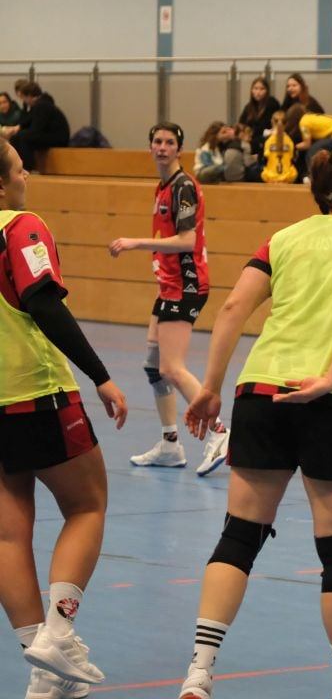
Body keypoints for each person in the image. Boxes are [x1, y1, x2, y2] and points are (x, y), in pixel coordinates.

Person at [177, 144, 332, 699]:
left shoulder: (284, 238)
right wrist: (329, 377)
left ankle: (198, 673)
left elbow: (233, 308)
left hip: (260, 392)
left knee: (240, 535)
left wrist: (210, 387)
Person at [0, 139, 128, 699]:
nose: (26, 174)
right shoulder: (21, 227)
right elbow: (43, 301)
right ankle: (57, 631)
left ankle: (47, 673)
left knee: (8, 533)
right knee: (87, 505)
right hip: (37, 393)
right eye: (18, 167)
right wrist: (100, 374)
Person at [108, 123, 230, 477]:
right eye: (157, 142)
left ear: (179, 149)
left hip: (186, 286)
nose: (162, 147)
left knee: (171, 368)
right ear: (150, 147)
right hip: (168, 286)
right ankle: (170, 444)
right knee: (153, 366)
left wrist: (136, 243)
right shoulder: (162, 187)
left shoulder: (183, 187)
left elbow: (187, 240)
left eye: (170, 142)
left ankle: (219, 432)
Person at [6, 83, 69, 172]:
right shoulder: (41, 104)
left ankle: (27, 167)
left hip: (58, 138)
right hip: (53, 135)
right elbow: (29, 122)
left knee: (24, 137)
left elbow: (36, 129)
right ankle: (18, 166)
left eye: (24, 98)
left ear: (29, 96)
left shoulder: (41, 106)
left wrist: (21, 132)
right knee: (18, 137)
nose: (24, 101)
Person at [297, 112, 332, 179]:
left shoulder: (303, 122)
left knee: (312, 152)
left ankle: (313, 177)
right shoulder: (310, 117)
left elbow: (307, 144)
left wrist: (295, 147)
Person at [237, 77, 280, 158]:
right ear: (251, 90)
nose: (258, 92)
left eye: (262, 89)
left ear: (267, 91)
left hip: (267, 142)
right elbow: (241, 125)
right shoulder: (249, 107)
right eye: (255, 88)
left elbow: (277, 123)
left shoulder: (272, 103)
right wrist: (244, 135)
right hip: (251, 142)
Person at [280, 74, 325, 142]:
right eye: (288, 86)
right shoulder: (288, 102)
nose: (290, 89)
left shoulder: (310, 103)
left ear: (302, 87)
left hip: (309, 138)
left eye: (294, 85)